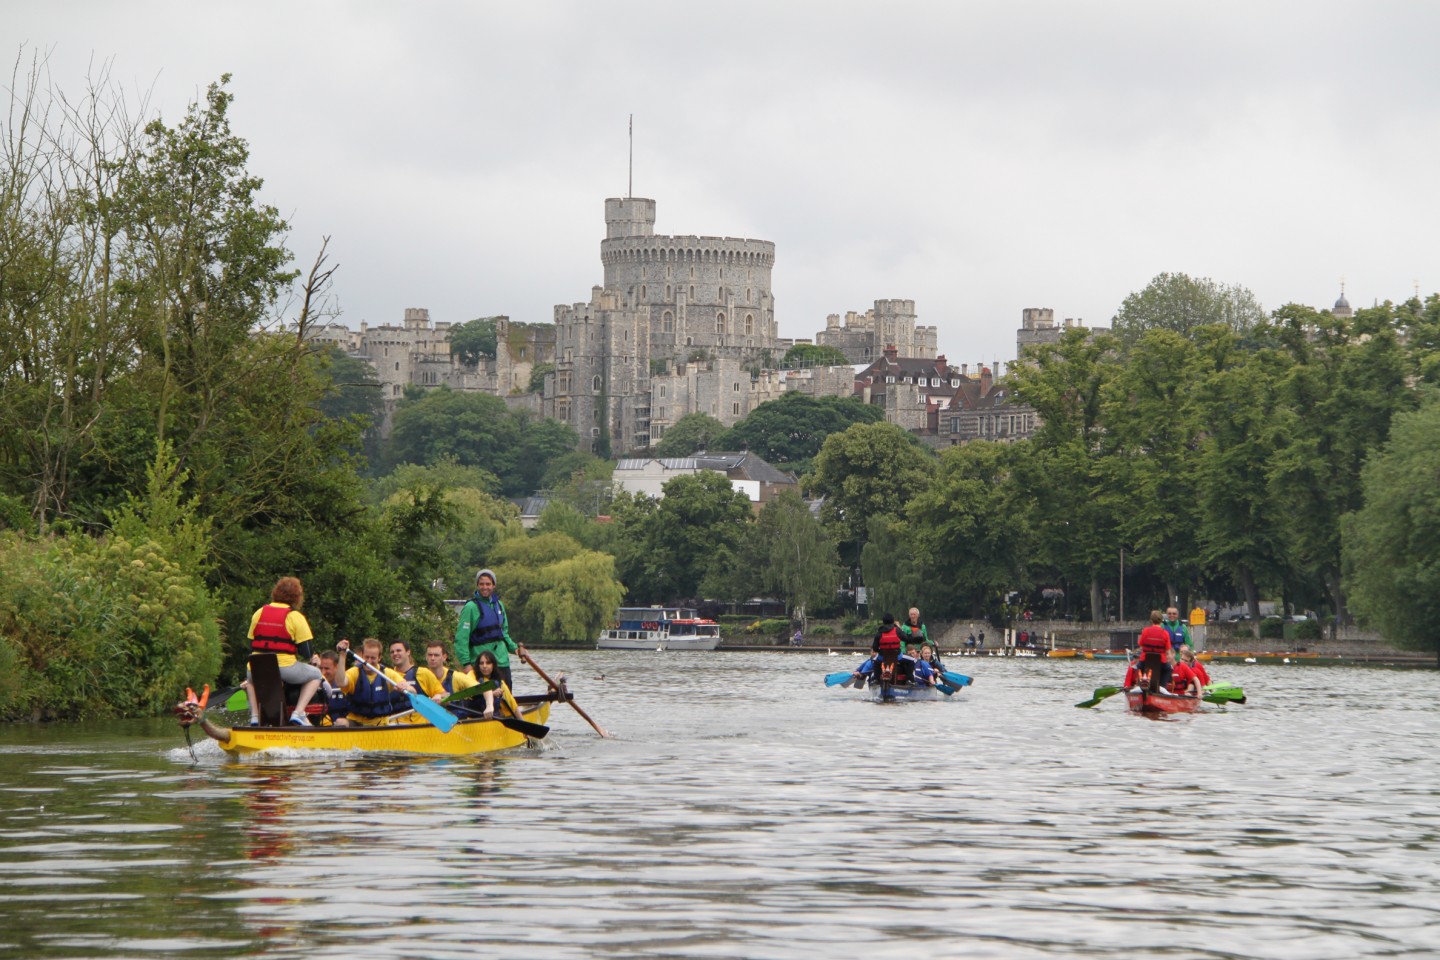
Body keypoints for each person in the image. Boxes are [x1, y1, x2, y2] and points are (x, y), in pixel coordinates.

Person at [245, 576, 323, 726]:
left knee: (250, 681)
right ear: (297, 597)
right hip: (284, 668)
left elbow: (251, 644)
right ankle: (298, 713)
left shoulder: (259, 612)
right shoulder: (295, 616)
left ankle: (255, 716)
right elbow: (307, 652)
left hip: (256, 669)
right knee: (316, 675)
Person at [455, 569, 526, 691]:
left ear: (494, 585)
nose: (484, 587)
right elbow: (461, 639)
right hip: (482, 665)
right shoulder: (471, 608)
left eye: (488, 584)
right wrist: (466, 664)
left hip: (501, 662)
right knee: (485, 701)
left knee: (506, 699)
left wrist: (515, 648)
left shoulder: (499, 605)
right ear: (477, 585)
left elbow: (504, 634)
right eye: (481, 584)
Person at [340, 638, 418, 726]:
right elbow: (341, 682)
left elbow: (413, 691)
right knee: (340, 722)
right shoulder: (354, 672)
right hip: (356, 722)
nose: (369, 661)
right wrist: (342, 655)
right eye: (366, 657)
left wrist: (406, 687)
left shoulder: (387, 673)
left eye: (373, 658)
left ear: (379, 658)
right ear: (362, 656)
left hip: (380, 723)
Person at [1135, 610, 1174, 692]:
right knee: (1168, 669)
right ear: (1161, 621)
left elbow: (1141, 644)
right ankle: (1162, 686)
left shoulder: (1145, 631)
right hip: (1161, 662)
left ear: (1151, 620)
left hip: (1145, 660)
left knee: (1137, 667)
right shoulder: (1165, 633)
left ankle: (1139, 684)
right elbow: (1168, 650)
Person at [317, 649, 352, 726]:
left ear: (336, 667)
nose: (323, 672)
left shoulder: (346, 684)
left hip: (341, 728)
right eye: (320, 668)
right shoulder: (314, 685)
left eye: (327, 668)